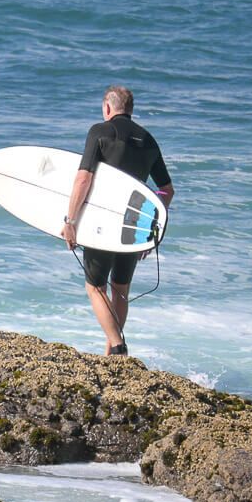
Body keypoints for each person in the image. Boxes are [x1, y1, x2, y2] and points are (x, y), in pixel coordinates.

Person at [62, 86, 174, 356]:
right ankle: (111, 354)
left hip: (103, 224)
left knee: (95, 287)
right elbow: (167, 190)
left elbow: (83, 178)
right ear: (131, 109)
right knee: (120, 289)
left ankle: (117, 345)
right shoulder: (148, 140)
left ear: (107, 108)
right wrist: (150, 229)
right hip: (132, 227)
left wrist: (70, 220)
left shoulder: (100, 132)